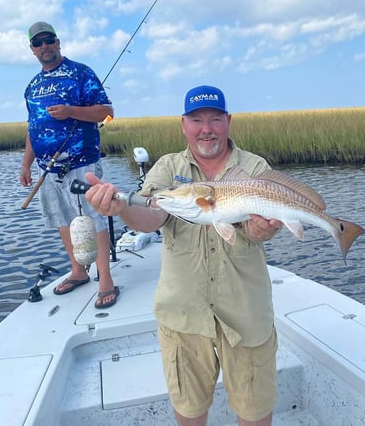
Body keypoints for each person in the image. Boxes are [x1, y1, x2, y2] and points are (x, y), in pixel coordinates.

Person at [85, 85, 283, 425]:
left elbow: (255, 229)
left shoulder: (254, 167)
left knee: (254, 410)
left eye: (214, 119)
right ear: (183, 125)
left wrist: (264, 229)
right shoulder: (167, 167)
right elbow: (151, 216)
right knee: (189, 409)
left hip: (246, 314)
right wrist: (120, 208)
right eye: (196, 120)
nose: (206, 129)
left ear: (228, 121)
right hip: (183, 315)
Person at [19, 21, 119, 309]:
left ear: (58, 42)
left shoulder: (80, 73)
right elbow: (32, 128)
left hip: (81, 163)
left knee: (92, 219)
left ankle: (105, 281)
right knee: (62, 220)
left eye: (49, 40)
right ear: (32, 50)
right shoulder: (32, 86)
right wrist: (26, 164)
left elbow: (108, 113)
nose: (44, 46)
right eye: (38, 43)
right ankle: (78, 271)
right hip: (46, 168)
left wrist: (70, 112)